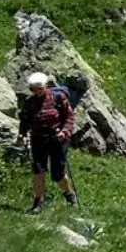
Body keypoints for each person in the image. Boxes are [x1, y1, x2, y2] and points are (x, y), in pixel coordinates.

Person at [17, 72, 78, 213]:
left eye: (40, 88)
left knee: (57, 173)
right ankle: (38, 202)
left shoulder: (58, 98)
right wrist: (22, 134)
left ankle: (69, 194)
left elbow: (69, 116)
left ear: (46, 86)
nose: (37, 92)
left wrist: (64, 131)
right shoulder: (30, 102)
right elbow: (24, 120)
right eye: (33, 89)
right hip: (38, 139)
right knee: (38, 170)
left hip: (57, 140)